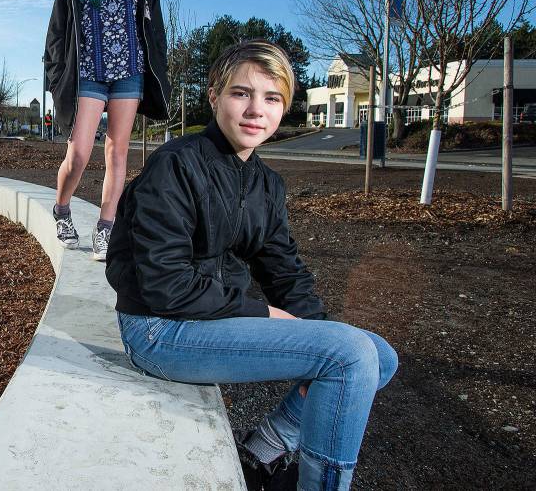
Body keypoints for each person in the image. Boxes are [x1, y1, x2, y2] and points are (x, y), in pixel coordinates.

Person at [105, 41, 398, 490]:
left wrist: (320, 332)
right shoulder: (176, 166)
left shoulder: (265, 183)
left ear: (284, 109)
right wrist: (260, 312)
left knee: (375, 354)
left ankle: (264, 448)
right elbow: (165, 284)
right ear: (214, 96)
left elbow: (284, 271)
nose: (255, 110)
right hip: (158, 328)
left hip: (205, 318)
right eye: (241, 93)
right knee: (348, 355)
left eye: (272, 98)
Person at [43, 0, 170, 260]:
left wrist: (156, 69)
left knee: (117, 153)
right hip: (88, 74)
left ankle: (106, 227)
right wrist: (56, 76)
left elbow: (156, 30)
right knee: (80, 152)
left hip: (128, 72)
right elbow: (55, 35)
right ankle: (62, 208)